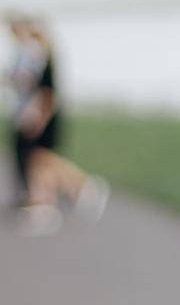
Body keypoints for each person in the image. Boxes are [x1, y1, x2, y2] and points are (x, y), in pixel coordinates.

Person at [6, 16, 108, 235]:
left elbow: (47, 93)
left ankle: (83, 188)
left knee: (43, 161)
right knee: (39, 163)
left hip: (43, 118)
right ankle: (45, 206)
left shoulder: (42, 58)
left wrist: (38, 121)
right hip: (38, 117)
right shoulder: (41, 56)